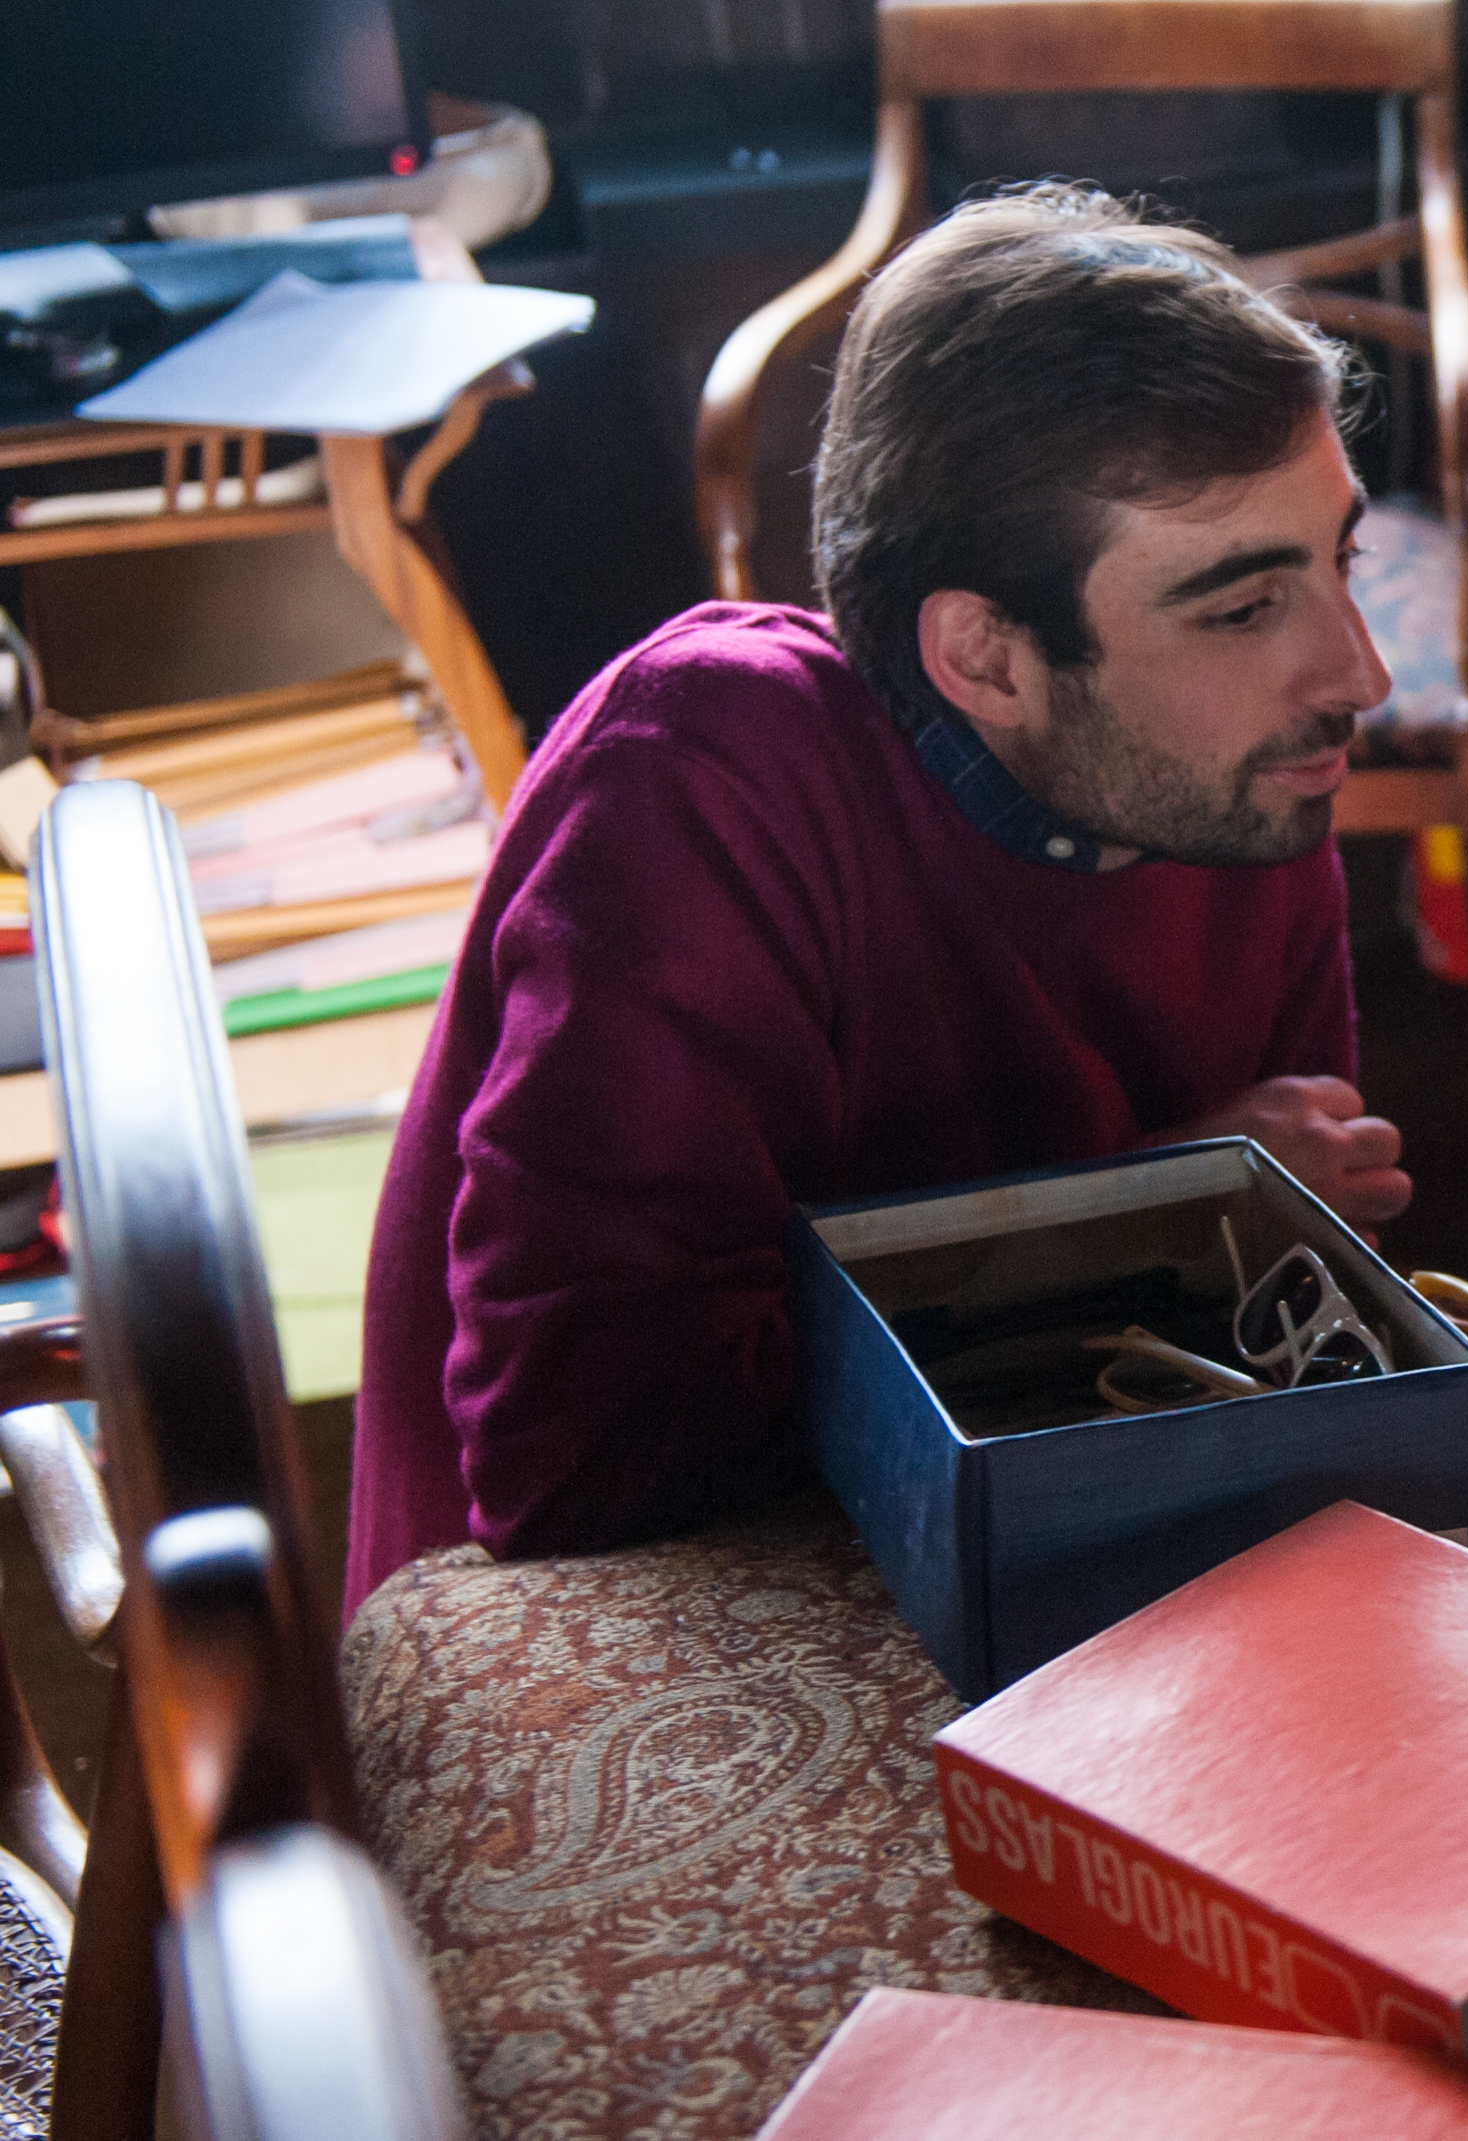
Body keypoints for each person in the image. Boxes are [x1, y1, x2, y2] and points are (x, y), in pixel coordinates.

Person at [347, 186, 1414, 1608]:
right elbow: (574, 1454)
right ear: (984, 658)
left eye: (1339, 558)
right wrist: (1145, 1219)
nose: (1358, 676)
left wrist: (1159, 1247)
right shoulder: (698, 775)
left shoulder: (1238, 773)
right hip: (599, 1625)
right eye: (1239, 607)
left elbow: (1265, 1336)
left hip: (1029, 1557)